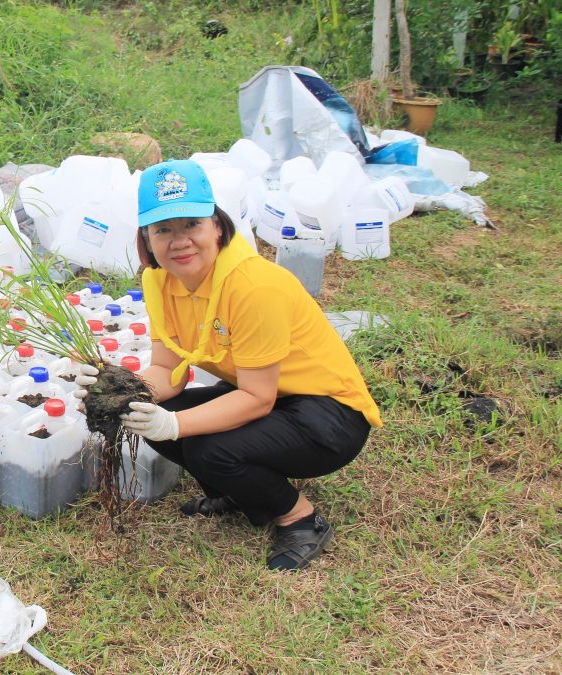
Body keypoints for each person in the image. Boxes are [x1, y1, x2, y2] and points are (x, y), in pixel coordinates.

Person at [79, 160, 381, 571]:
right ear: (146, 239)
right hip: (271, 397)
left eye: (191, 224)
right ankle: (241, 494)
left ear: (217, 227)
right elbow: (169, 370)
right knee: (158, 418)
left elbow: (257, 398)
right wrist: (120, 389)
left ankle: (300, 518)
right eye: (163, 229)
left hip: (329, 414)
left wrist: (178, 426)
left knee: (208, 445)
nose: (179, 240)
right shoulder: (158, 281)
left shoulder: (253, 286)